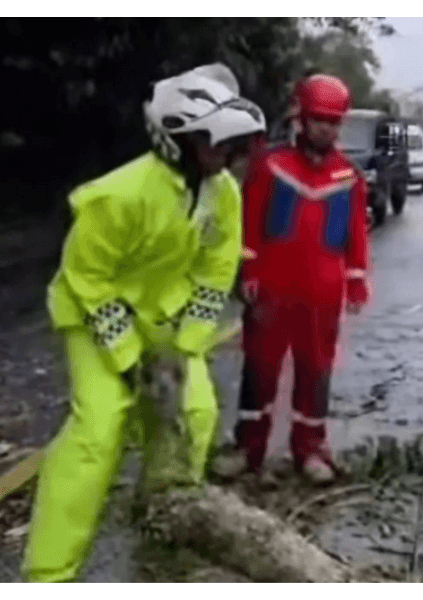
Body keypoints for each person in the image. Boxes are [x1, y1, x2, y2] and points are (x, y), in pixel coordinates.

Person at [21, 63, 265, 582]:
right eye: (213, 144)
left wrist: (186, 349)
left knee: (194, 414)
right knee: (100, 428)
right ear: (177, 139)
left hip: (165, 316)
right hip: (93, 315)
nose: (225, 158)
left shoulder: (224, 194)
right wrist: (131, 362)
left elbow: (214, 273)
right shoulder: (119, 195)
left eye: (229, 146)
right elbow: (86, 278)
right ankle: (48, 576)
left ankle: (162, 528)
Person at [211, 74, 371, 485]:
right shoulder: (271, 165)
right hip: (273, 289)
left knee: (316, 369)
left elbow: (355, 237)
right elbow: (250, 224)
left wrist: (356, 282)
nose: (327, 129)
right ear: (301, 118)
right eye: (319, 119)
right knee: (260, 368)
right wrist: (250, 271)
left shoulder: (349, 176)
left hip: (323, 293)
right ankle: (249, 447)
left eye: (334, 122)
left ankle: (310, 448)